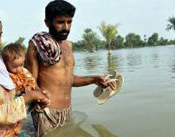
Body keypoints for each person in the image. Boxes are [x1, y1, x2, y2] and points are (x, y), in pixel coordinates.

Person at [26, 0, 116, 136]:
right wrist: (41, 98)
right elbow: (29, 82)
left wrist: (94, 79)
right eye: (60, 22)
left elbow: (67, 80)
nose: (66, 27)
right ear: (47, 23)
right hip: (46, 112)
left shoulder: (69, 46)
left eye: (69, 22)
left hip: (67, 111)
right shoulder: (38, 46)